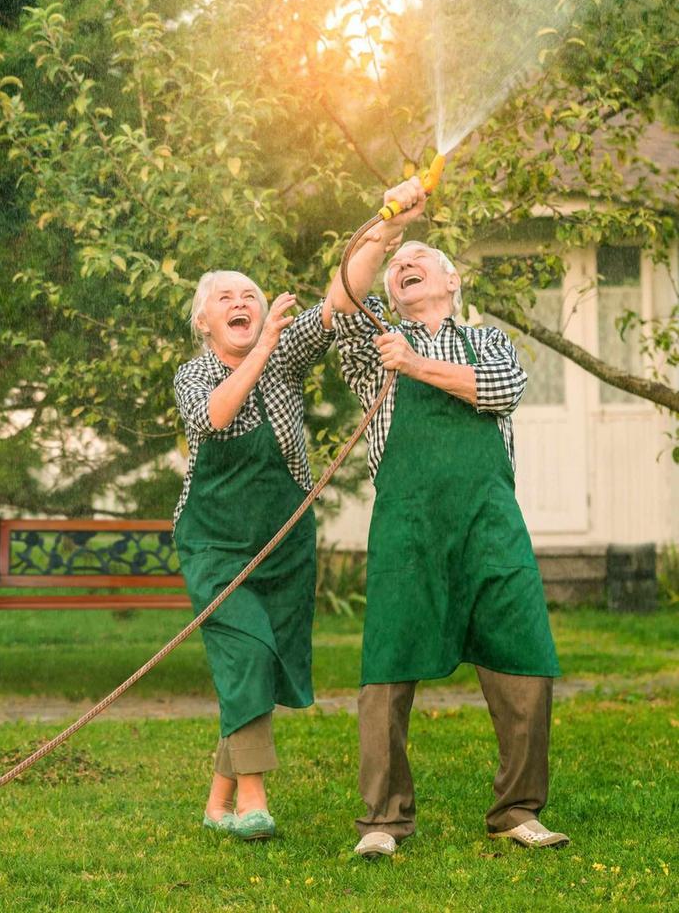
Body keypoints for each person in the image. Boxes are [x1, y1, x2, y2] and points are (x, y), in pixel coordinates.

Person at [327, 177, 568, 858]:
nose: (407, 270)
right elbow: (342, 296)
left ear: (452, 281)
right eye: (402, 268)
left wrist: (418, 363)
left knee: (526, 659)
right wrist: (391, 228)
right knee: (386, 671)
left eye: (421, 261)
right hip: (408, 527)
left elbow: (499, 391)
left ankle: (518, 811)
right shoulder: (376, 341)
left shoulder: (488, 343)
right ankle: (383, 820)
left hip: (490, 524)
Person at [173, 269, 335, 841]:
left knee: (258, 666)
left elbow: (341, 297)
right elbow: (214, 416)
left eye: (252, 298)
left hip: (284, 544)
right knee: (248, 655)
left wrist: (381, 235)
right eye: (226, 298)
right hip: (215, 544)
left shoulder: (286, 357)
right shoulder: (193, 374)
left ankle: (217, 802)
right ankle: (253, 802)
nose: (240, 304)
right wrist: (262, 346)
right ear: (204, 320)